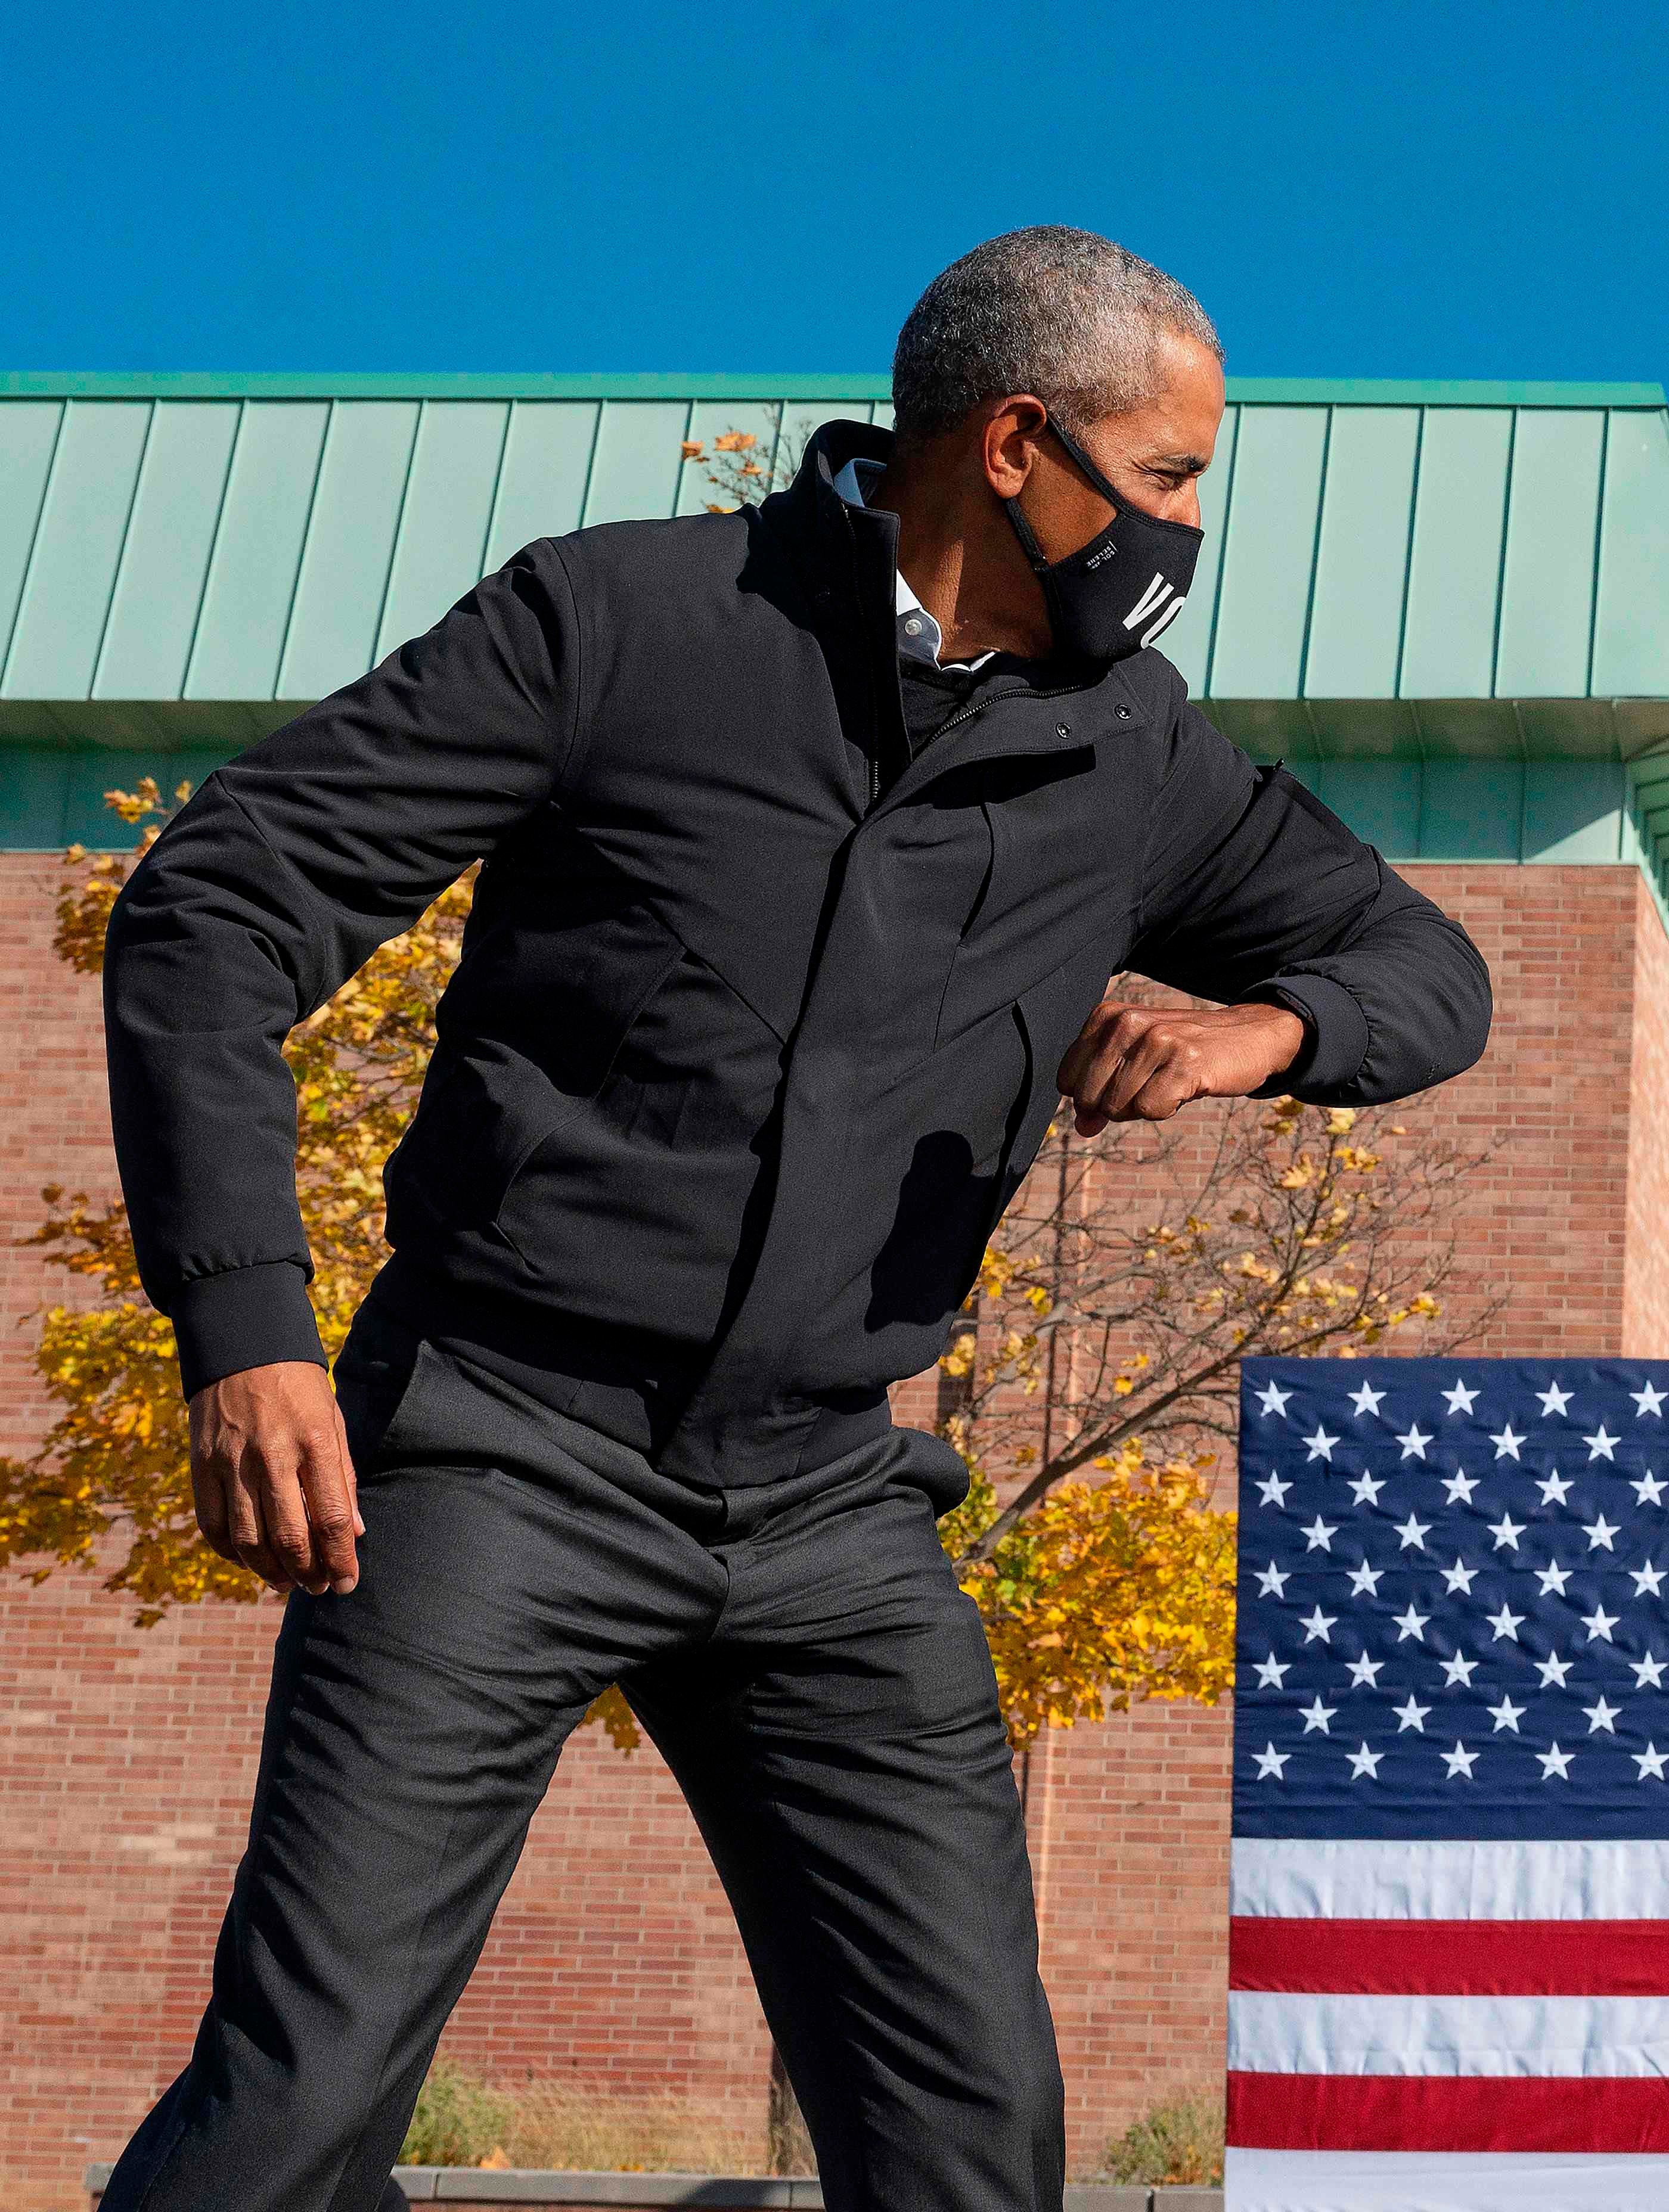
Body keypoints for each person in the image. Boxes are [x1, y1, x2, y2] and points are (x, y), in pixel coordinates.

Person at [98, 228, 1490, 2208]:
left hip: (837, 1508)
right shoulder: (621, 625)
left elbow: (1423, 968)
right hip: (505, 1446)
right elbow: (214, 908)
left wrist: (1257, 1029)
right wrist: (245, 1323)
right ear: (1015, 445)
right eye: (1168, 476)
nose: (1187, 523)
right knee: (295, 2117)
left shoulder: (1134, 751)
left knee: (967, 2147)